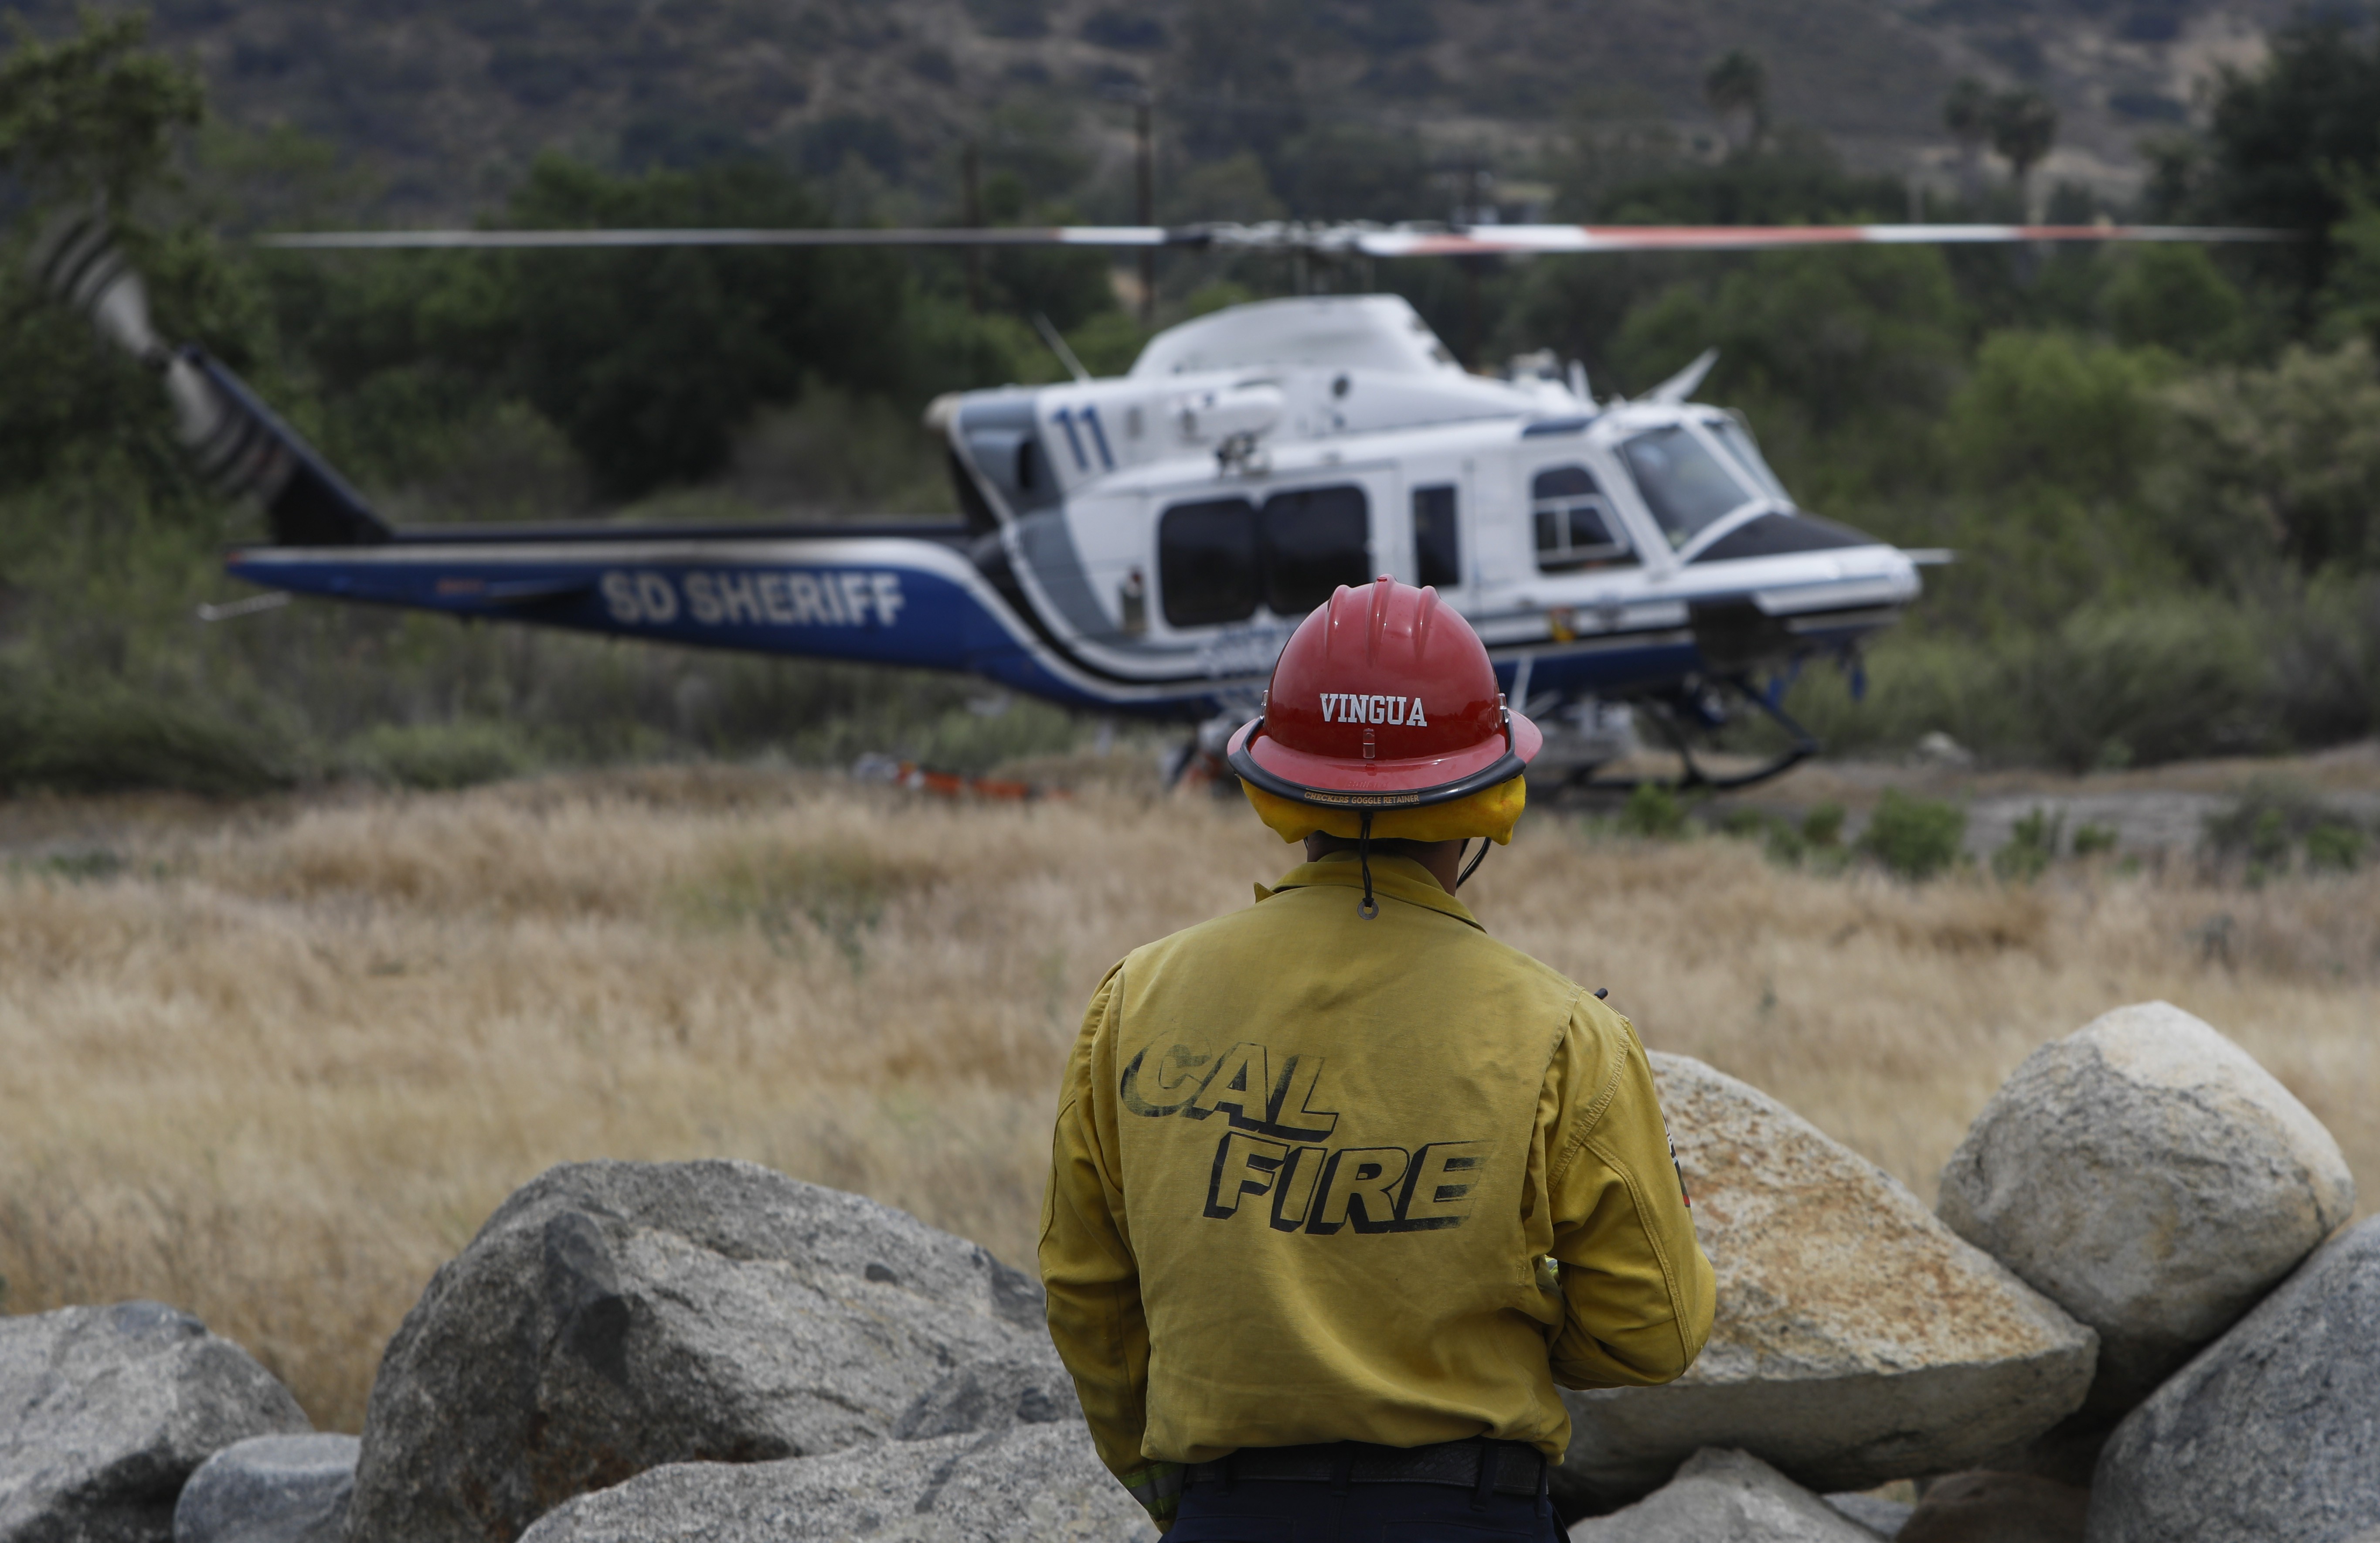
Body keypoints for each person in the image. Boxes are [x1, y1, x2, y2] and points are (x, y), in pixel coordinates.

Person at [1040, 576, 1716, 1540]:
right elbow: (1657, 1331)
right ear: (1488, 796)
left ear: (1275, 786)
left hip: (1229, 1516)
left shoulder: (1136, 1004)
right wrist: (1503, 1312)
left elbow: (1087, 1291)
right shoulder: (1563, 1037)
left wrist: (1162, 1489)